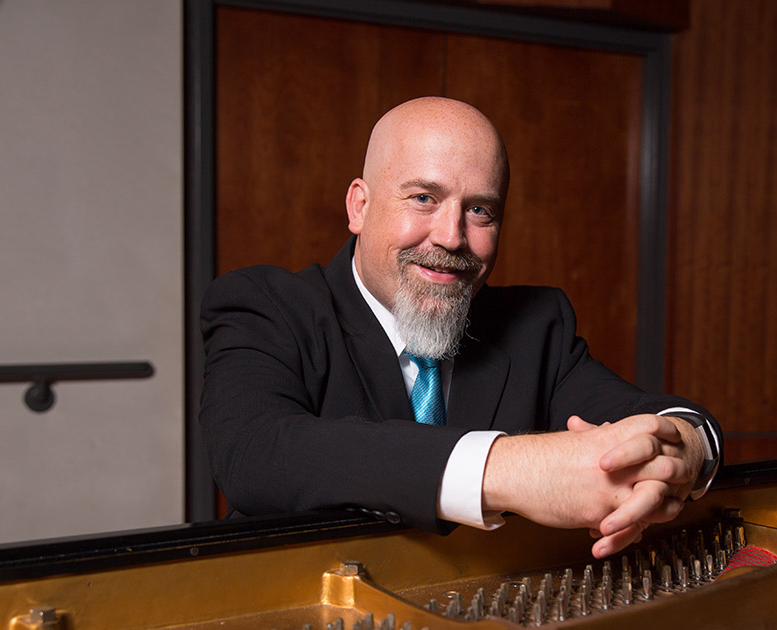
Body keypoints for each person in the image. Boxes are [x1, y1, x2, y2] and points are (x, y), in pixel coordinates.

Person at [200, 97, 721, 558]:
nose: (451, 237)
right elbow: (254, 452)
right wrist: (511, 471)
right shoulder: (266, 305)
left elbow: (657, 416)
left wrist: (686, 447)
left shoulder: (536, 325)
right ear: (359, 206)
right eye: (424, 198)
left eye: (479, 210)